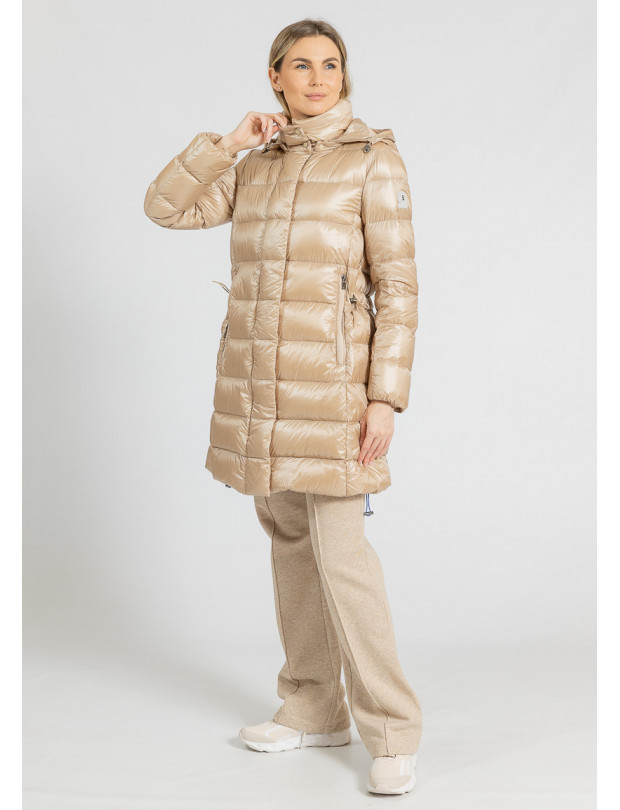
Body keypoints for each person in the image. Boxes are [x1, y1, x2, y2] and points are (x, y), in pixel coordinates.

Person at [144, 17, 422, 796]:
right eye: (301, 65)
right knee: (291, 546)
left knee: (343, 559)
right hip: (260, 394)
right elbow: (164, 207)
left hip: (334, 395)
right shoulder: (257, 166)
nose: (318, 78)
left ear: (344, 75)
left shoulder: (372, 159)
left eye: (330, 65)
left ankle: (393, 731)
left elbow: (399, 287)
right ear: (275, 77)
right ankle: (312, 706)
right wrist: (228, 143)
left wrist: (385, 397)